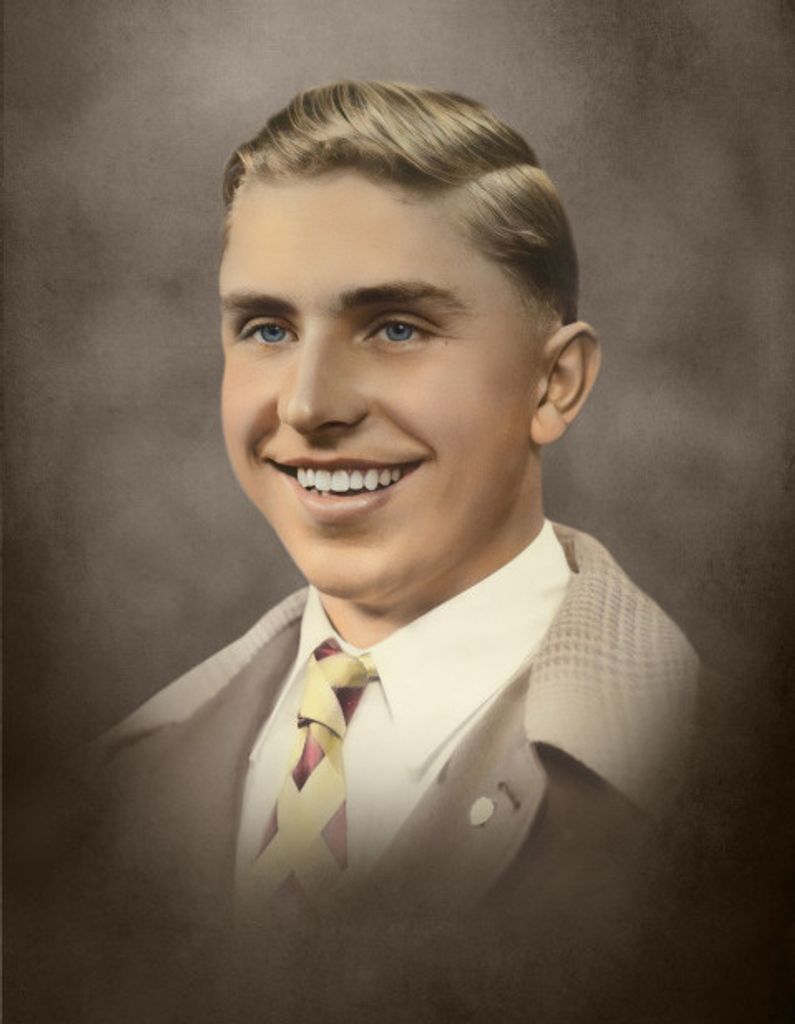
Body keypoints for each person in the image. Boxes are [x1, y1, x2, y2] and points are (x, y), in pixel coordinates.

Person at [40, 81, 702, 1023]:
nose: (309, 403)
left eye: (396, 328)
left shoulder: (708, 782)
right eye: (267, 329)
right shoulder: (127, 781)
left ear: (554, 383)